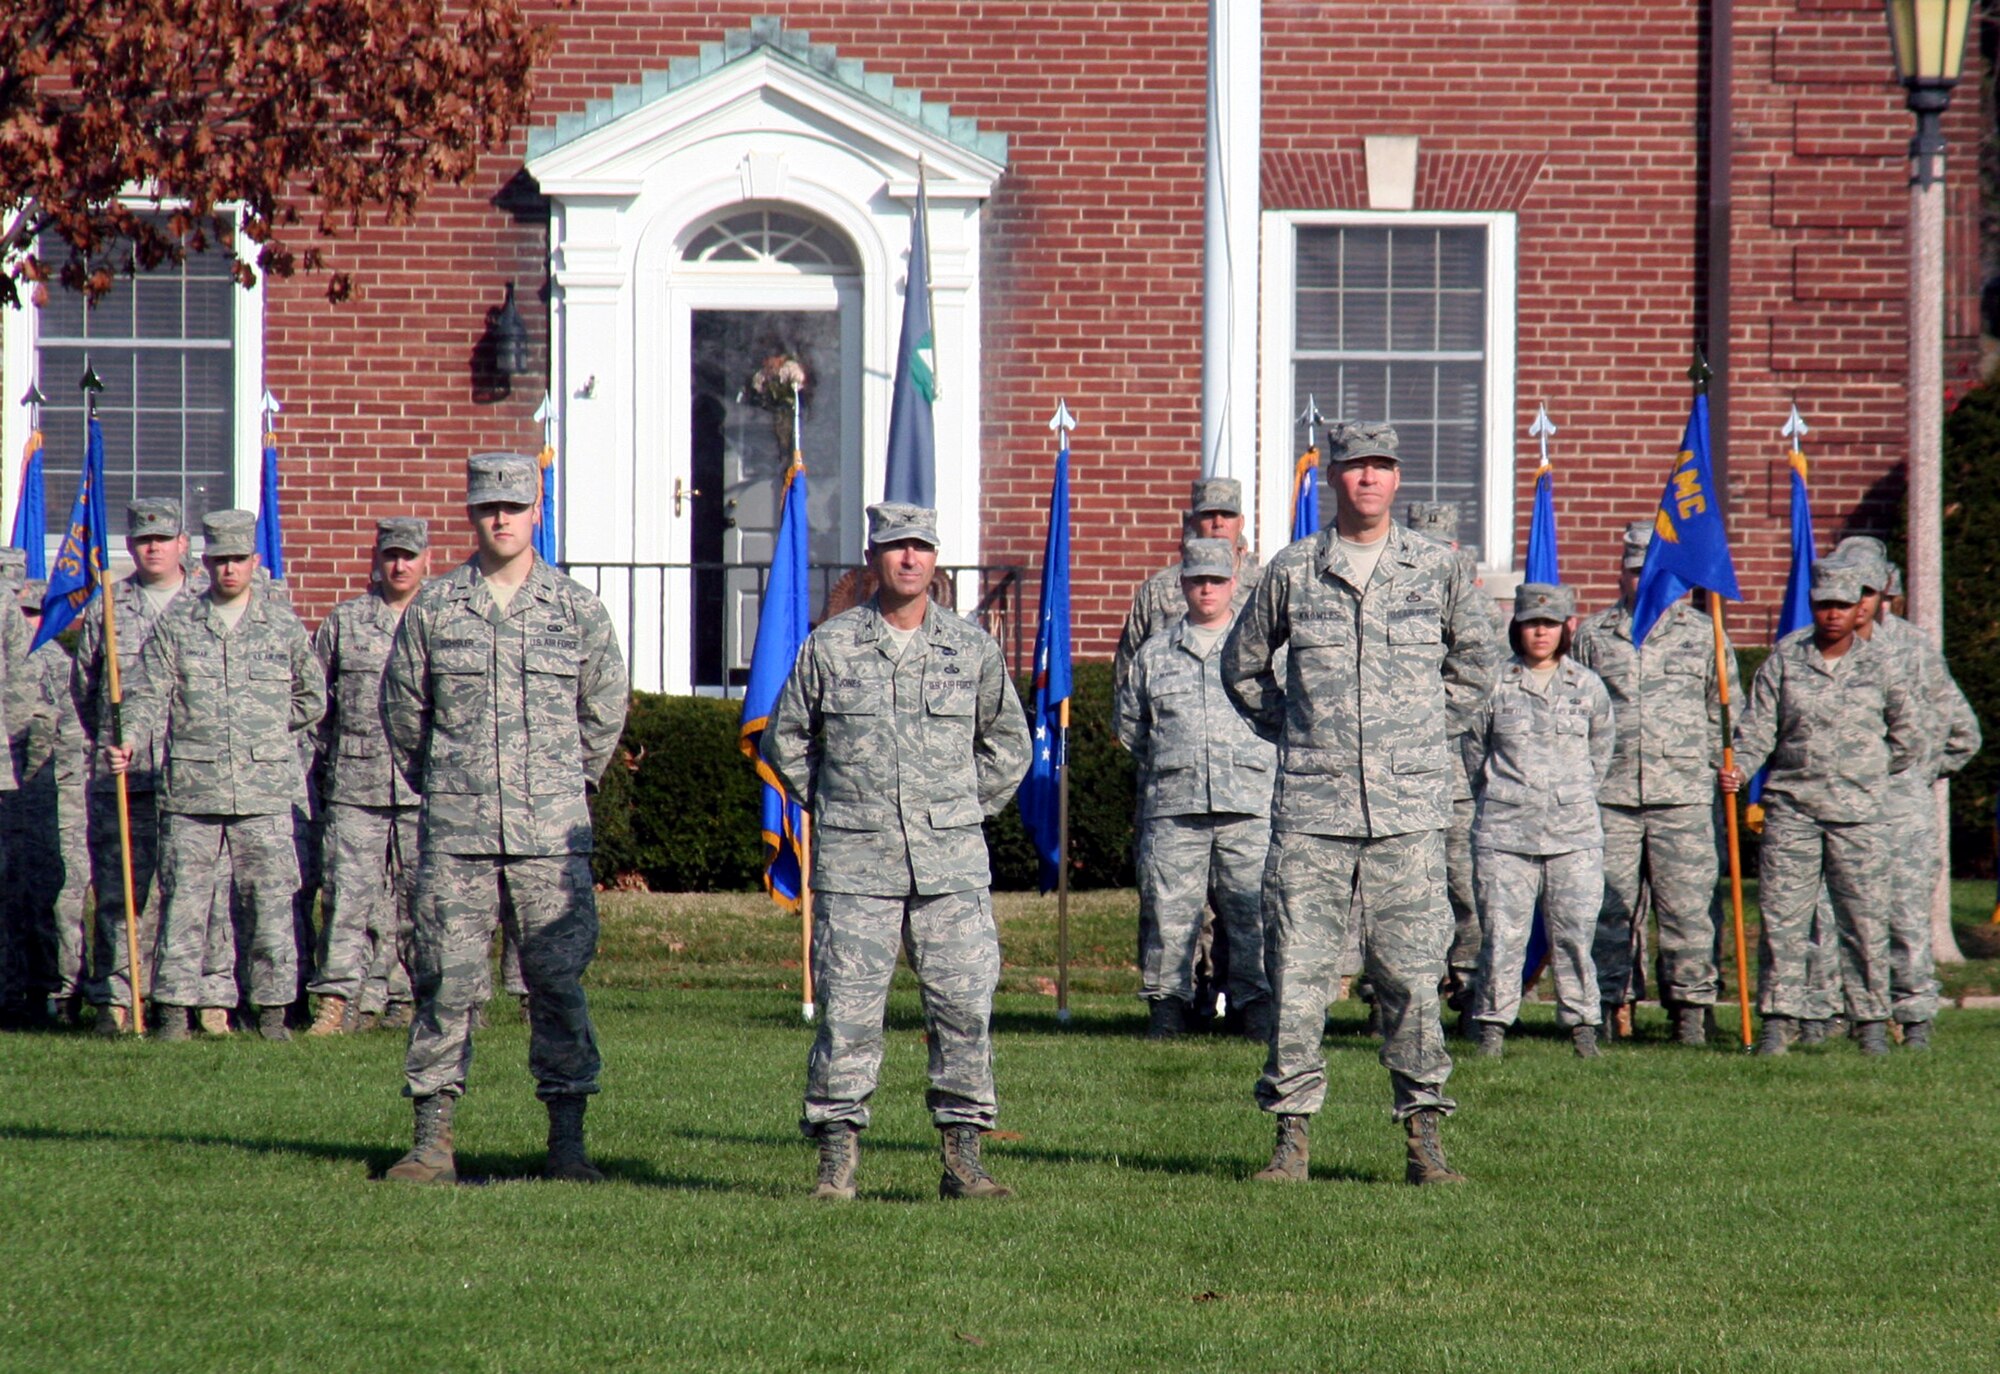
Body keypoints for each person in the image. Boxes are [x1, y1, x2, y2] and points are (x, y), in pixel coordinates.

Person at [1222, 420, 1498, 1187]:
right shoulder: (1293, 570)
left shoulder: (1434, 569)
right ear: (1333, 478)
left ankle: (1423, 1138)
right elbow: (1243, 668)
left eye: (1381, 467)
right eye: (1354, 467)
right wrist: (1298, 729)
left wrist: (1421, 734)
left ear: (1397, 478)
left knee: (1411, 977)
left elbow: (1479, 661)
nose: (1367, 479)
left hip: (1408, 815)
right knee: (1300, 976)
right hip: (1313, 810)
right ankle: (1290, 1141)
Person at [763, 501, 1031, 1203]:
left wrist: (963, 808)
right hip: (857, 866)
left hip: (950, 868)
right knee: (849, 1015)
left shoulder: (970, 650)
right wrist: (835, 802)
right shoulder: (832, 646)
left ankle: (964, 1159)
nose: (908, 558)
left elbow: (1010, 744)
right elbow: (785, 739)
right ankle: (837, 1161)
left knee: (963, 1011)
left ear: (935, 558)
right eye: (894, 546)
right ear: (873, 557)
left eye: (920, 546)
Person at [382, 453, 628, 1184]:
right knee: (447, 985)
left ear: (536, 512)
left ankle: (568, 1144)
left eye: (514, 507)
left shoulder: (575, 608)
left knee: (556, 988)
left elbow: (605, 706)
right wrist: (448, 786)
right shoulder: (434, 608)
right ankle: (432, 1140)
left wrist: (565, 783)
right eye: (488, 507)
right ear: (470, 512)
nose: (501, 519)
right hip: (458, 836)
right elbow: (404, 711)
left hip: (549, 842)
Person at [108, 510, 324, 1041]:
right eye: (219, 559)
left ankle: (271, 1012)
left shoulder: (282, 625)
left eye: (238, 559)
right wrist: (131, 738)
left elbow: (313, 697)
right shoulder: (180, 623)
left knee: (271, 904)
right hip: (193, 791)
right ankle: (174, 1013)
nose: (229, 569)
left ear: (255, 562)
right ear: (204, 563)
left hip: (265, 790)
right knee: (183, 903)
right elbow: (146, 691)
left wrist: (265, 733)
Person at [1720, 559, 1918, 1056]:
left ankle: (1870, 1021)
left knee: (1865, 921)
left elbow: (1911, 736)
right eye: (1823, 604)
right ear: (1812, 607)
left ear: (1859, 610)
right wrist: (1739, 769)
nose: (1832, 614)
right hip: (1794, 810)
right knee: (1783, 919)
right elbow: (1757, 731)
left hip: (1861, 815)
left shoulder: (1882, 666)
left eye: (1843, 605)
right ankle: (1779, 1019)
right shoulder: (1785, 660)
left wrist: (1868, 773)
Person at [1806, 537, 1980, 1048]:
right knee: (1831, 913)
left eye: (1866, 590)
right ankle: (1833, 1012)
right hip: (1835, 806)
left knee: (1904, 916)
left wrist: (1910, 773)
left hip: (1900, 813)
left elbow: (1961, 734)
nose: (1857, 602)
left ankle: (1914, 1016)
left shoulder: (1913, 649)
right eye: (1847, 590)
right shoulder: (1813, 649)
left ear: (1884, 592)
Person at [1571, 521, 1737, 1045]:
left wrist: (1724, 766)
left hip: (1683, 796)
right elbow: (1575, 708)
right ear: (1622, 573)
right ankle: (1608, 1006)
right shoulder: (1593, 636)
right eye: (1636, 570)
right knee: (1606, 908)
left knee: (1688, 909)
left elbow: (1726, 714)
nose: (1645, 580)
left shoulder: (1705, 634)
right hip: (1610, 795)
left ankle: (1690, 1010)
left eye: (1657, 570)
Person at [1114, 537, 1274, 1040]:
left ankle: (1254, 1006)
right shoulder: (1155, 653)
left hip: (1248, 804)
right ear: (1182, 584)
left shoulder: (1259, 651)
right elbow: (1130, 726)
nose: (1207, 589)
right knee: (1168, 915)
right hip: (1175, 806)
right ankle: (1168, 1009)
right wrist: (1174, 765)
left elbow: (1285, 718)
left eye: (1217, 580)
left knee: (1252, 914)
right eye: (1197, 580)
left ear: (1234, 585)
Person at [1464, 583, 1615, 1058]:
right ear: (1517, 627)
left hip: (1573, 836)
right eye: (1531, 623)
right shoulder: (1493, 683)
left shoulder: (1587, 687)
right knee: (1503, 935)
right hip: (1505, 835)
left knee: (1574, 934)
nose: (1541, 632)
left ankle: (1582, 1026)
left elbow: (1601, 754)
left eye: (1550, 624)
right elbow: (1473, 754)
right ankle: (1492, 1025)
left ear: (1567, 627)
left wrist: (1568, 797)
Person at [74, 500, 202, 1035]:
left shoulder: (203, 603)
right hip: (122, 774)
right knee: (119, 890)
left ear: (183, 544)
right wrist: (112, 737)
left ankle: (184, 1000)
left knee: (188, 893)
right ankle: (116, 998)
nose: (153, 547)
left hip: (190, 772)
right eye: (144, 538)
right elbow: (85, 685)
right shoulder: (109, 604)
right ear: (130, 545)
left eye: (163, 537)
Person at [306, 518, 431, 1036]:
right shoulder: (346, 622)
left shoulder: (440, 618)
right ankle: (337, 1002)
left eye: (409, 556)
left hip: (424, 786)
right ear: (376, 561)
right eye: (390, 556)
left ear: (427, 560)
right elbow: (317, 706)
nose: (399, 566)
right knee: (345, 899)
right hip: (356, 786)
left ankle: (415, 999)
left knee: (421, 900)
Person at [1404, 501, 1499, 1022]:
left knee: (1464, 888)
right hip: (1399, 775)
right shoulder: (1393, 599)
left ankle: (1467, 987)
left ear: (1458, 552)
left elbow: (1492, 694)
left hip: (1461, 776)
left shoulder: (1483, 614)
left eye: (1443, 551)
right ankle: (1387, 996)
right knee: (1400, 892)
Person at [2, 579, 90, 1024]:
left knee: (56, 900)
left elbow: (72, 737)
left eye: (37, 613)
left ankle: (64, 994)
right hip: (12, 799)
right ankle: (16, 994)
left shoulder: (56, 664)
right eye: (22, 612)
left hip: (51, 798)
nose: (28, 621)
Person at [1114, 478, 1263, 694]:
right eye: (1208, 514)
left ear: (1241, 522)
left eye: (1227, 515)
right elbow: (1126, 669)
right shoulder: (1159, 590)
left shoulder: (1266, 586)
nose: (1218, 523)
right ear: (1193, 521)